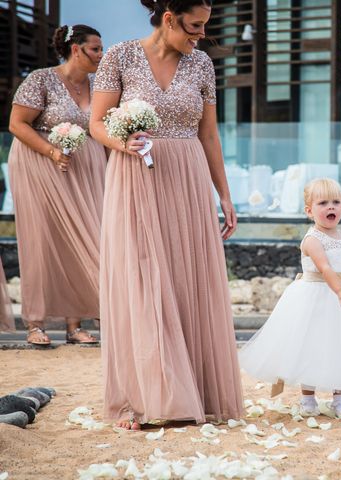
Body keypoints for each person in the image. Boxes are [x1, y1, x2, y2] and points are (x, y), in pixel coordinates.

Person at [89, 0, 244, 429]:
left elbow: (208, 133)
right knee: (141, 277)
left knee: (185, 278)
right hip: (135, 173)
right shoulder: (120, 56)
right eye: (195, 26)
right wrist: (121, 143)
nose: (200, 35)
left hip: (189, 179)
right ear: (170, 18)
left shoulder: (202, 65)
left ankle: (191, 393)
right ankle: (141, 399)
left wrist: (225, 195)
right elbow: (96, 122)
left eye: (205, 27)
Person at [239, 178, 341, 417]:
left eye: (336, 202)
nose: (331, 207)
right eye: (323, 203)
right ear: (309, 210)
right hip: (315, 296)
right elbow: (325, 268)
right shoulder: (312, 239)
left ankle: (340, 397)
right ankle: (308, 398)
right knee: (311, 343)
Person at [8, 24, 106, 346]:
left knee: (83, 239)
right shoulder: (41, 79)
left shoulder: (99, 86)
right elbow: (17, 124)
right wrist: (52, 151)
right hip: (40, 166)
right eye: (95, 49)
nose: (101, 55)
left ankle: (74, 324)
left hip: (85, 171)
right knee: (42, 239)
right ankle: (36, 322)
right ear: (75, 49)